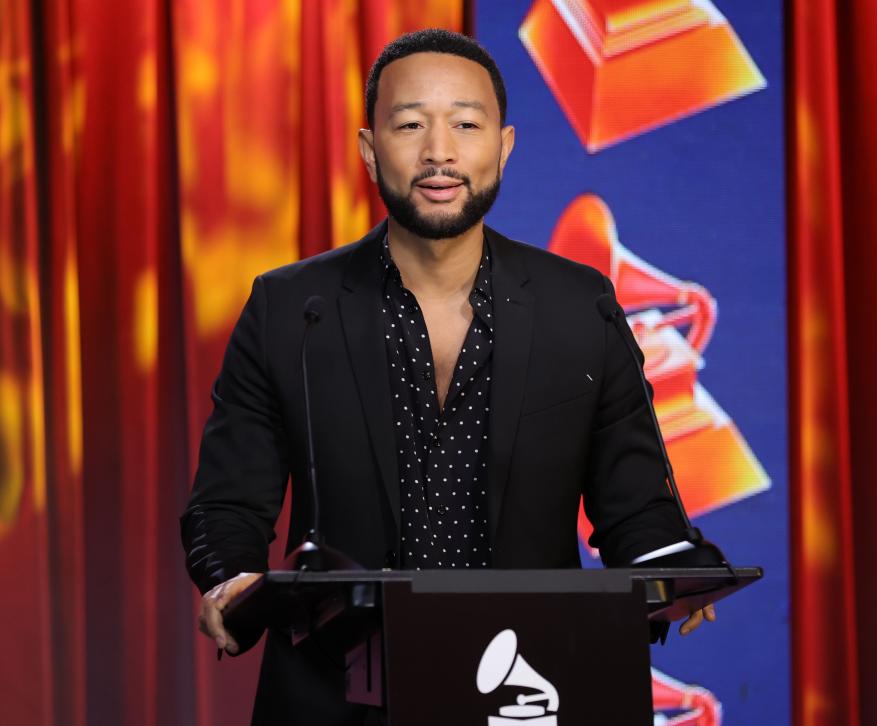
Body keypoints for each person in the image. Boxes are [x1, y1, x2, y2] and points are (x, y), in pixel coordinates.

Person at [181, 28, 715, 725]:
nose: (440, 151)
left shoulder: (579, 305)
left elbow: (638, 507)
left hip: (535, 691)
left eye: (466, 124)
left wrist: (678, 569)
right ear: (372, 150)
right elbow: (226, 505)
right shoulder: (290, 309)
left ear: (504, 145)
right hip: (335, 693)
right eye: (411, 125)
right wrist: (230, 579)